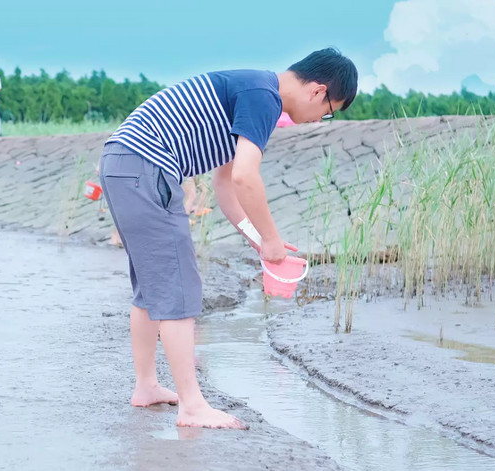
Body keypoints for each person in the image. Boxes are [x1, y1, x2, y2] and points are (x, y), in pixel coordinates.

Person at [99, 48, 358, 430]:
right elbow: (245, 178)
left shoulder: (252, 89)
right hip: (145, 168)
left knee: (151, 288)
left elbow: (225, 183)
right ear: (318, 91)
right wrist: (272, 240)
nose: (320, 120)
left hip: (123, 165)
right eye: (329, 111)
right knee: (177, 288)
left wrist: (257, 238)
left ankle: (147, 386)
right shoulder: (264, 97)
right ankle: (192, 406)